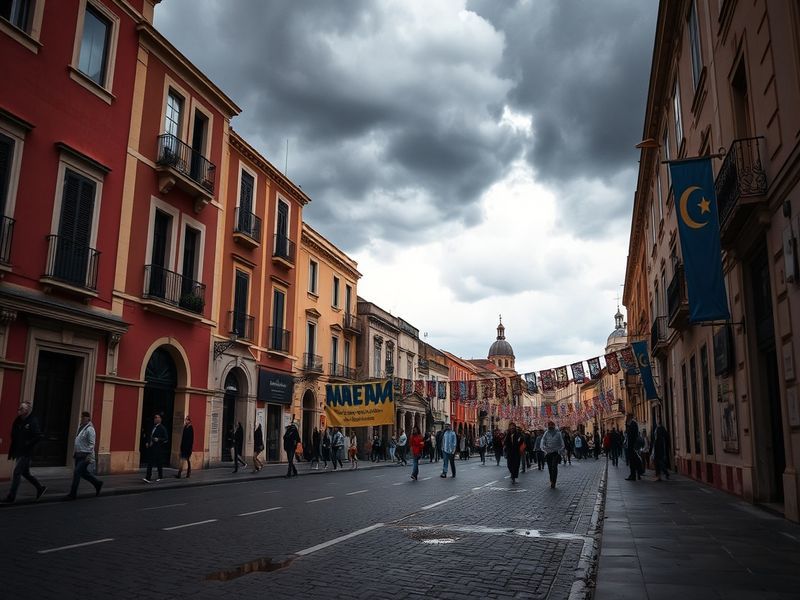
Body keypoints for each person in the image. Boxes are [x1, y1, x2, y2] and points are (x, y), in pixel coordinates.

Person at [2, 402, 46, 503]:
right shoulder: (18, 420)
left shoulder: (32, 421)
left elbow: (38, 436)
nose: (19, 409)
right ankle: (40, 488)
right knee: (25, 473)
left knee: (17, 472)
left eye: (21, 408)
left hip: (26, 452)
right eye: (19, 408)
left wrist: (27, 444)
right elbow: (14, 433)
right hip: (19, 450)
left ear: (27, 410)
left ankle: (11, 496)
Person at [64, 411, 103, 500]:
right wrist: (75, 452)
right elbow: (78, 441)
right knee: (83, 473)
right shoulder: (80, 427)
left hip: (85, 455)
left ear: (88, 418)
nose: (82, 419)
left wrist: (88, 455)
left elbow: (92, 444)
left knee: (77, 472)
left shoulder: (90, 429)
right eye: (81, 417)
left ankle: (73, 494)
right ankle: (97, 483)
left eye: (84, 417)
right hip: (78, 454)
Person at [143, 413, 168, 483]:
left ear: (160, 419)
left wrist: (158, 439)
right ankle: (148, 477)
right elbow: (150, 435)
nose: (155, 419)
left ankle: (160, 476)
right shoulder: (153, 427)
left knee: (159, 463)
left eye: (156, 417)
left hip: (158, 448)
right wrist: (147, 442)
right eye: (155, 417)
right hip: (152, 447)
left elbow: (166, 438)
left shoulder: (162, 428)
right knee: (150, 462)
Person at [541, 420, 565, 489]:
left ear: (554, 426)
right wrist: (544, 448)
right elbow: (543, 442)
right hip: (549, 453)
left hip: (555, 453)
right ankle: (551, 480)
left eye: (551, 425)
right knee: (550, 467)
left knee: (554, 467)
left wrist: (559, 450)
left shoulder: (558, 433)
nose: (550, 426)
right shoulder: (546, 433)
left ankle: (553, 482)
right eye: (549, 425)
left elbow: (562, 444)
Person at [625, 413, 642, 481]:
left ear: (629, 417)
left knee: (633, 461)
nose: (626, 418)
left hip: (632, 446)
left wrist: (627, 426)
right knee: (633, 461)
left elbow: (632, 435)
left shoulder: (633, 424)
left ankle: (634, 475)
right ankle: (634, 474)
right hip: (631, 446)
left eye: (627, 417)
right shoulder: (631, 424)